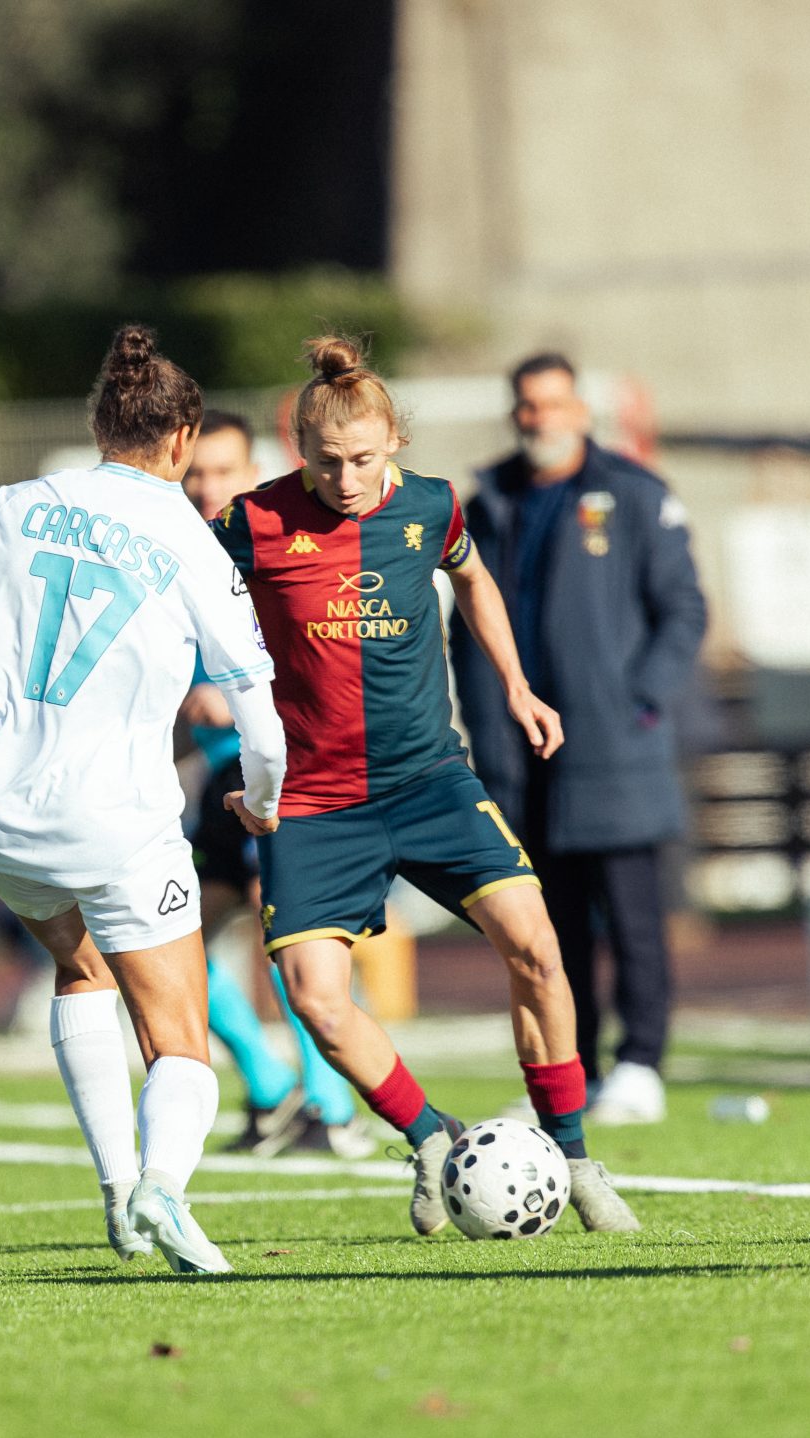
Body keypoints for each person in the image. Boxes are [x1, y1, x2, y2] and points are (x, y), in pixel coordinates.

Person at [0, 327, 286, 1276]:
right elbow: (261, 721)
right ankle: (163, 1193)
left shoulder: (9, 506)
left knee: (81, 967)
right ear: (182, 443)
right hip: (114, 819)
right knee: (178, 1039)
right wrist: (261, 801)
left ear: (98, 426)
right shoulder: (190, 541)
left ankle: (113, 1190)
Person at [214, 335, 642, 1237]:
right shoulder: (253, 523)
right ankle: (429, 1135)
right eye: (328, 462)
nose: (347, 478)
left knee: (536, 941)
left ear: (395, 445)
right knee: (317, 999)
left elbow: (475, 580)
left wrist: (518, 684)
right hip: (312, 801)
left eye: (364, 459)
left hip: (428, 779)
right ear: (301, 451)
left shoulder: (434, 509)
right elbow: (175, 596)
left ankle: (570, 1149)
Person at [456, 353, 707, 1124]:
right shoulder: (489, 501)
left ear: (582, 410)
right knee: (548, 926)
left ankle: (641, 1063)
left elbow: (684, 611)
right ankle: (580, 1069)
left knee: (632, 916)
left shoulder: (634, 494)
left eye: (554, 403)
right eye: (528, 406)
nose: (541, 418)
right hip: (522, 754)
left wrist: (636, 701)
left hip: (613, 746)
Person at [178, 410, 363, 1156]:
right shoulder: (175, 547)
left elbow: (322, 651)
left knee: (288, 933)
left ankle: (332, 1106)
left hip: (283, 769)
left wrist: (249, 696)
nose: (207, 487)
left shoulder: (282, 548)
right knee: (169, 941)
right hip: (220, 777)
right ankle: (269, 1087)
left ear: (251, 472)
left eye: (223, 472)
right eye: (195, 473)